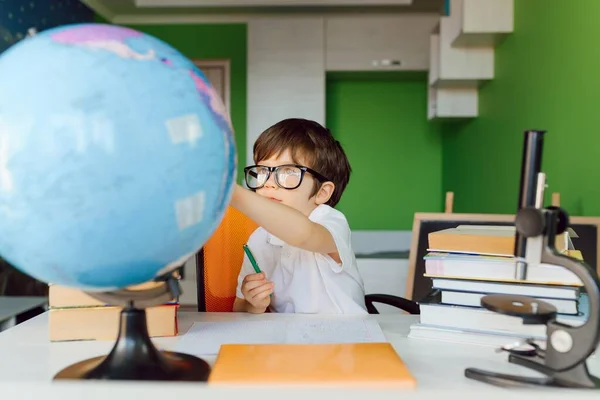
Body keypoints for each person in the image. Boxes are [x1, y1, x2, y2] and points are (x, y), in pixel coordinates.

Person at [229, 118, 367, 314]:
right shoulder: (258, 239)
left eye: (287, 172)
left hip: (346, 337)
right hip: (290, 338)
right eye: (262, 171)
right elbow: (238, 306)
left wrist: (232, 193)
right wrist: (252, 304)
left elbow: (303, 234)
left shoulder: (331, 221)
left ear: (322, 193)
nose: (268, 182)